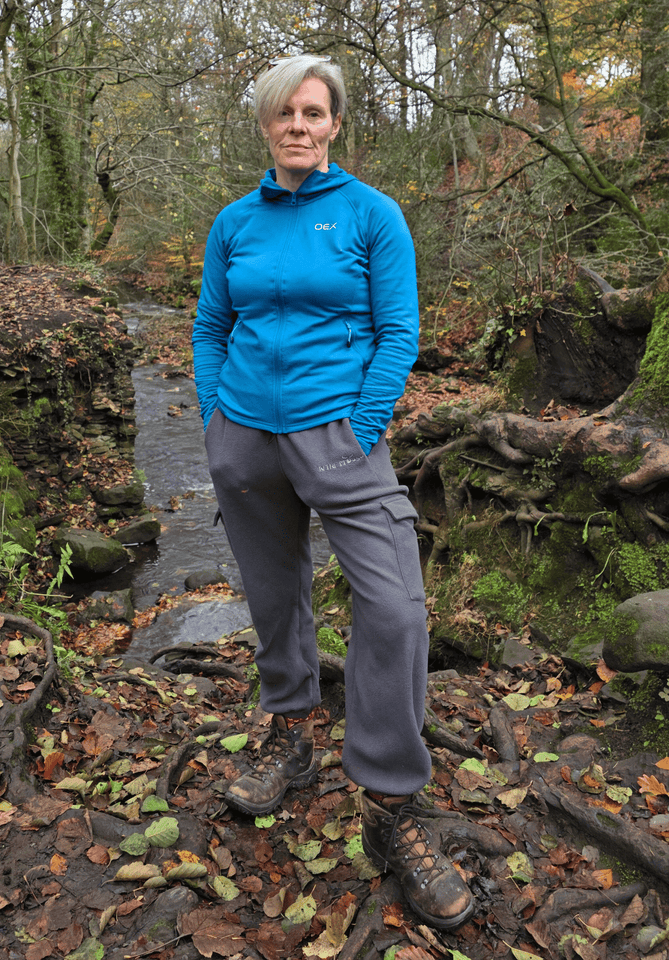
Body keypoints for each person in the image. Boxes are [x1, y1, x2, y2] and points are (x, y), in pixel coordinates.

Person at [191, 53, 475, 931]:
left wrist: (361, 423)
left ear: (335, 124)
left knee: (394, 610)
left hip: (340, 439)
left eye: (314, 113)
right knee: (276, 599)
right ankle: (290, 737)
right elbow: (211, 324)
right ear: (267, 126)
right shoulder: (234, 222)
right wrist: (214, 419)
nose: (299, 126)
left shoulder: (371, 214)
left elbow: (399, 332)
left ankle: (390, 804)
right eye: (285, 114)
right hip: (244, 436)